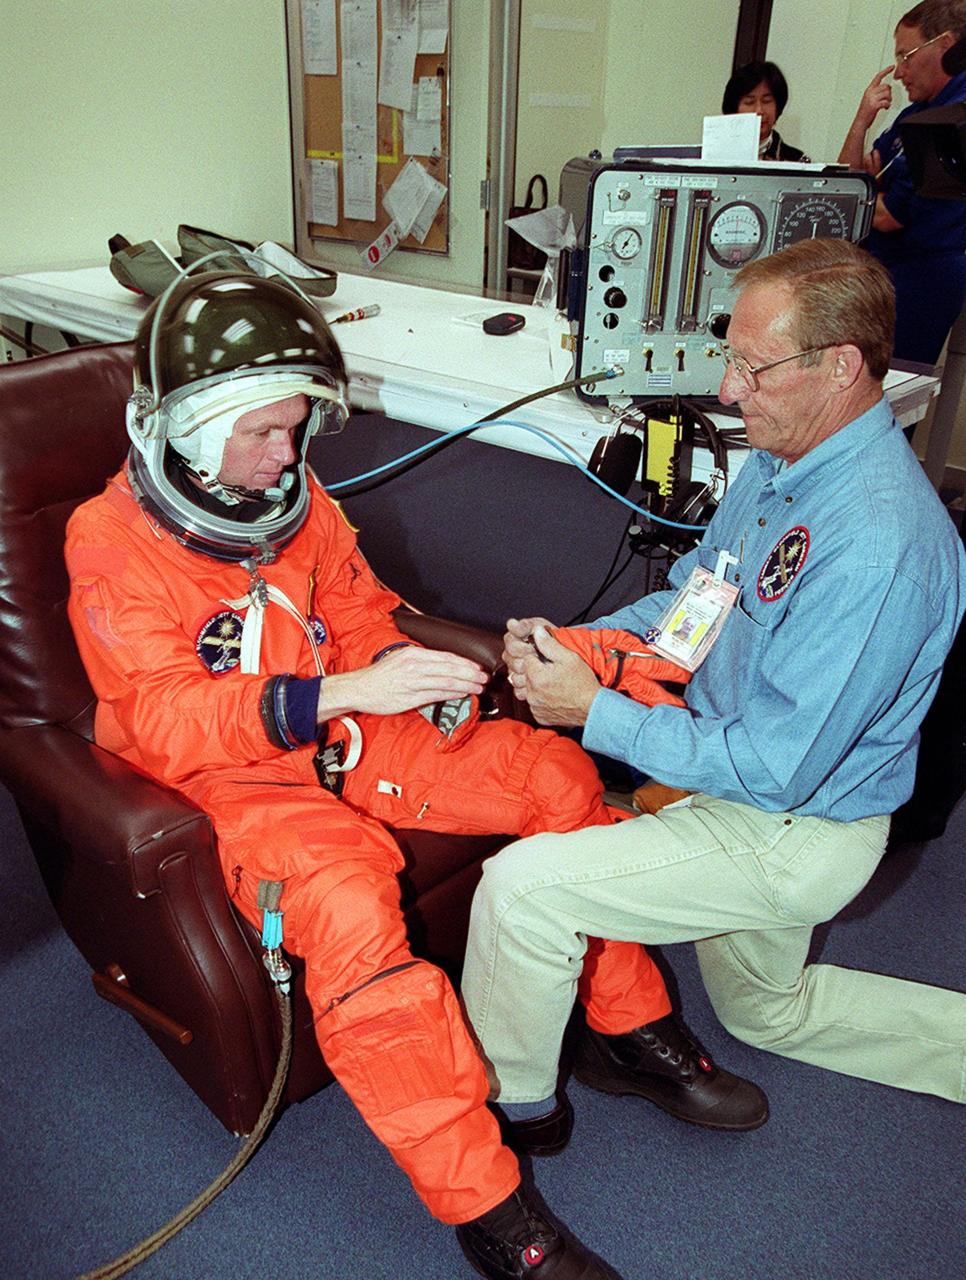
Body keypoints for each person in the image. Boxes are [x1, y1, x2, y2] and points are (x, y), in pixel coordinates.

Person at [65, 270, 765, 1280]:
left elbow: (355, 610)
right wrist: (339, 693)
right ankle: (491, 1206)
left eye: (295, 429)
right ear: (183, 430)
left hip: (350, 729)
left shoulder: (293, 499)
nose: (284, 455)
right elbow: (167, 717)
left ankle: (630, 1029)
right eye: (262, 433)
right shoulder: (111, 542)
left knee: (557, 779)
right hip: (234, 780)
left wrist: (409, 678)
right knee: (352, 909)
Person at [460, 238, 966, 1142]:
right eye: (729, 358)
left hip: (791, 828)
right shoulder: (783, 465)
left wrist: (597, 710)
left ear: (841, 367)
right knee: (766, 1015)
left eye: (750, 366)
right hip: (741, 781)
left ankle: (513, 1117)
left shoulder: (881, 541)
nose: (729, 391)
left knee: (524, 892)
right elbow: (699, 600)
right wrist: (584, 644)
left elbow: (776, 770)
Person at [839, 0, 966, 365]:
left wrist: (872, 189)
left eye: (906, 56)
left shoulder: (950, 118)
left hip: (921, 278)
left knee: (892, 393)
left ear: (944, 43)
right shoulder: (917, 113)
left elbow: (887, 216)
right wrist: (862, 121)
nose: (898, 72)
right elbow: (851, 190)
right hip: (884, 270)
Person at [721, 60, 811, 161]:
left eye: (766, 101)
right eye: (750, 102)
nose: (759, 111)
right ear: (734, 109)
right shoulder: (712, 154)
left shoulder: (796, 161)